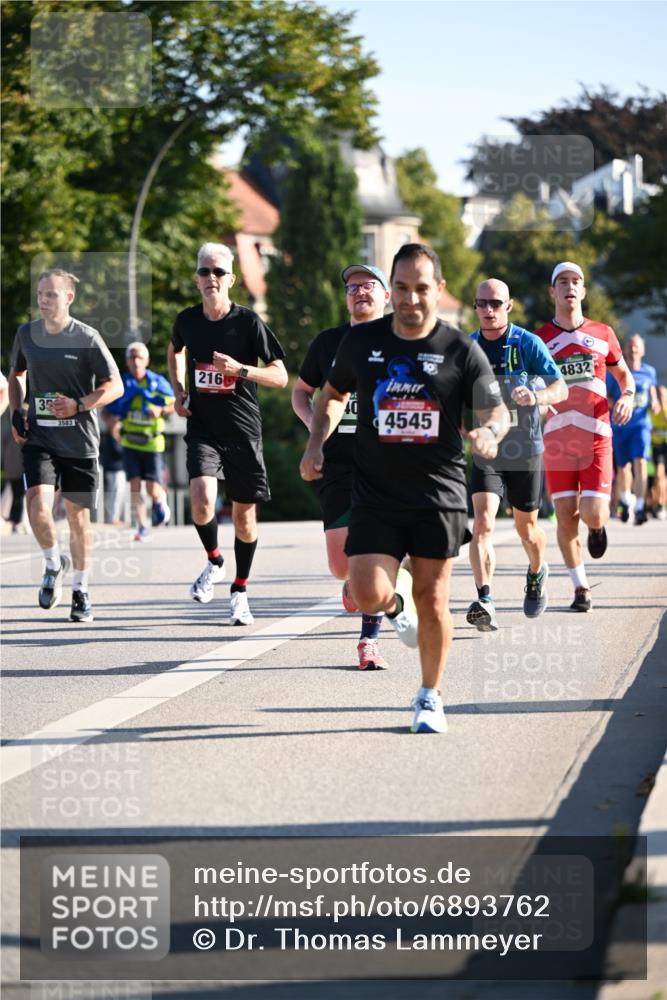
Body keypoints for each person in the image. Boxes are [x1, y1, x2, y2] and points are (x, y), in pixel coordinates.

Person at [300, 244, 508, 734]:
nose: (411, 298)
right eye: (401, 288)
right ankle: (394, 608)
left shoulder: (459, 348)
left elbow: (495, 410)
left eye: (421, 288)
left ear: (438, 290)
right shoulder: (362, 342)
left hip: (437, 493)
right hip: (375, 491)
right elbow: (332, 394)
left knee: (433, 599)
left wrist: (490, 433)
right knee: (366, 591)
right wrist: (315, 443)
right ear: (391, 291)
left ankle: (430, 695)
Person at [168, 242, 287, 625]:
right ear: (197, 278)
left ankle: (240, 589)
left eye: (219, 272)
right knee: (201, 500)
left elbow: (281, 376)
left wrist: (240, 370)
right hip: (203, 427)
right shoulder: (187, 321)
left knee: (244, 520)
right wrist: (178, 390)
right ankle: (215, 561)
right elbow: (174, 350)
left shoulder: (248, 323)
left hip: (243, 430)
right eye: (205, 271)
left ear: (231, 279)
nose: (211, 278)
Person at [8, 268, 123, 621]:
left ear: (69, 298)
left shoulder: (86, 338)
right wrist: (16, 411)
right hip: (40, 437)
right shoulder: (27, 334)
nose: (43, 300)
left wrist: (79, 405)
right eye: (40, 294)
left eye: (51, 294)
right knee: (37, 506)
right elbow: (17, 375)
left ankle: (81, 590)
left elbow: (115, 385)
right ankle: (52, 562)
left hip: (80, 442)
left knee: (78, 518)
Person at [292, 263, 392, 670]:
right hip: (338, 460)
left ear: (386, 295)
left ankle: (369, 641)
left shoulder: (401, 340)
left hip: (385, 461)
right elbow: (301, 392)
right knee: (339, 564)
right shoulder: (328, 343)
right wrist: (315, 429)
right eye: (352, 287)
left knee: (375, 549)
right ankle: (356, 582)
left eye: (368, 285)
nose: (359, 292)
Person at [466, 278, 568, 631]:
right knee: (483, 523)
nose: (489, 310)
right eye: (482, 303)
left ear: (509, 306)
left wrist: (537, 397)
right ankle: (485, 599)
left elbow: (560, 388)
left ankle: (537, 571)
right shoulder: (468, 347)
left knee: (527, 530)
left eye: (496, 303)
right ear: (475, 306)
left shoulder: (527, 343)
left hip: (525, 448)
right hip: (487, 448)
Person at [534, 262, 635, 612]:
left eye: (576, 281)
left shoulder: (603, 333)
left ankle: (596, 528)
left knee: (592, 512)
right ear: (553, 291)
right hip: (557, 440)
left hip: (596, 436)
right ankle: (581, 587)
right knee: (565, 514)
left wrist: (627, 397)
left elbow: (625, 377)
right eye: (562, 282)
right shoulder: (539, 340)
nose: (570, 287)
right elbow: (529, 383)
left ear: (584, 291)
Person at [105, 341, 175, 540]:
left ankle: (160, 500)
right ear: (127, 361)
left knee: (152, 488)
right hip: (129, 442)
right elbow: (107, 410)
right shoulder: (121, 384)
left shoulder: (157, 382)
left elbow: (174, 404)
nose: (136, 361)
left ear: (147, 360)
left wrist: (160, 410)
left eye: (139, 357)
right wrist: (111, 422)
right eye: (132, 357)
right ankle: (142, 526)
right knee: (134, 487)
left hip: (152, 443)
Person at [606, 334, 658, 525]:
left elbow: (652, 393)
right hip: (620, 425)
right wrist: (617, 404)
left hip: (641, 426)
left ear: (642, 351)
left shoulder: (649, 372)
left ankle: (641, 506)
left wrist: (656, 404)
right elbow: (607, 395)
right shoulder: (617, 371)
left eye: (636, 346)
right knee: (623, 467)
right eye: (630, 346)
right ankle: (626, 499)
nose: (633, 349)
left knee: (641, 462)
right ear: (625, 349)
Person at [649, 385, 667, 520]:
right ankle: (658, 504)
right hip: (658, 446)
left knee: (664, 479)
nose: (661, 397)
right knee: (659, 475)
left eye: (663, 395)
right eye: (659, 395)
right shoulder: (653, 411)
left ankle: (661, 504)